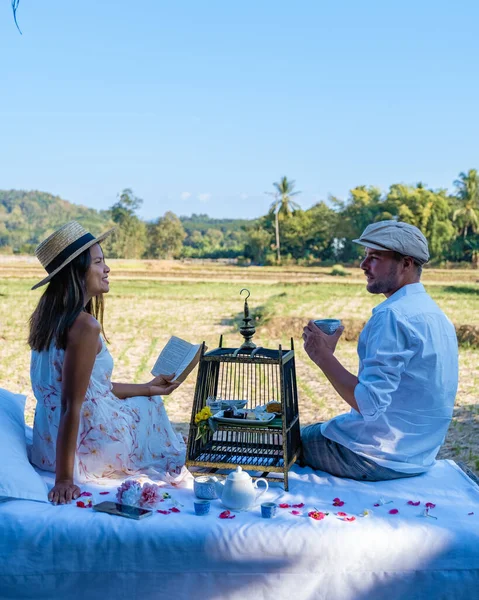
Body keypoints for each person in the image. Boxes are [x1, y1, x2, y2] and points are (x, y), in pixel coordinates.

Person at [28, 221, 186, 505]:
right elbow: (71, 405)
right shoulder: (84, 326)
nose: (107, 269)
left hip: (46, 446)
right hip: (85, 450)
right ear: (78, 272)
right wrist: (64, 479)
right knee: (151, 409)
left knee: (148, 399)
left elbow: (92, 391)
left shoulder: (46, 319)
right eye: (99, 262)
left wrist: (149, 387)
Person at [300, 220, 459, 481]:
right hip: (418, 455)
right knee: (318, 429)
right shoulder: (435, 314)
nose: (363, 266)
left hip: (373, 457)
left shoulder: (392, 316)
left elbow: (368, 404)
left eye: (374, 257)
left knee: (283, 440)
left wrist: (323, 356)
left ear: (407, 263)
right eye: (365, 257)